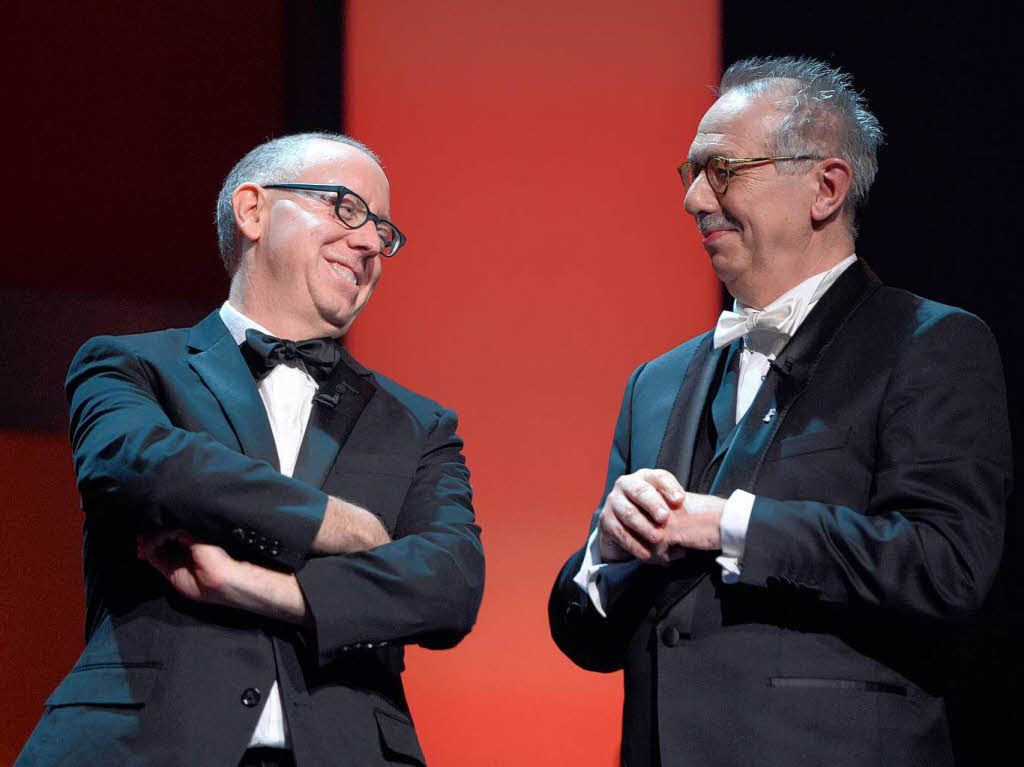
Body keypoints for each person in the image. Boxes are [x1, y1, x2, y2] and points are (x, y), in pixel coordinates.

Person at [549, 57, 1011, 767]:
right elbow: (587, 636)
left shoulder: (929, 342)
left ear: (825, 187)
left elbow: (946, 565)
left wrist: (730, 523)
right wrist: (604, 555)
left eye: (723, 171)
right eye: (691, 174)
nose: (694, 199)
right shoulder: (655, 382)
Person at [18, 133, 484, 767]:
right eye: (346, 208)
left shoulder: (419, 424)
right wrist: (332, 523)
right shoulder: (131, 365)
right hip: (144, 744)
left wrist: (249, 585)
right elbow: (143, 467)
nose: (372, 242)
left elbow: (450, 585)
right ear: (253, 211)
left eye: (383, 230)